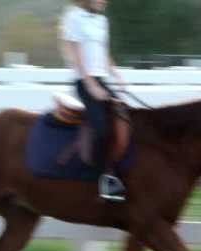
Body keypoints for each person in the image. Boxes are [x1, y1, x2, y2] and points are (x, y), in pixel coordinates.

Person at [60, 0, 130, 202]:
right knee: (100, 128)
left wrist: (117, 75)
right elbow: (76, 54)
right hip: (84, 80)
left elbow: (102, 52)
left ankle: (116, 171)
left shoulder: (102, 20)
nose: (103, 1)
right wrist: (90, 84)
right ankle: (101, 181)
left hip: (101, 79)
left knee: (123, 120)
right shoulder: (73, 16)